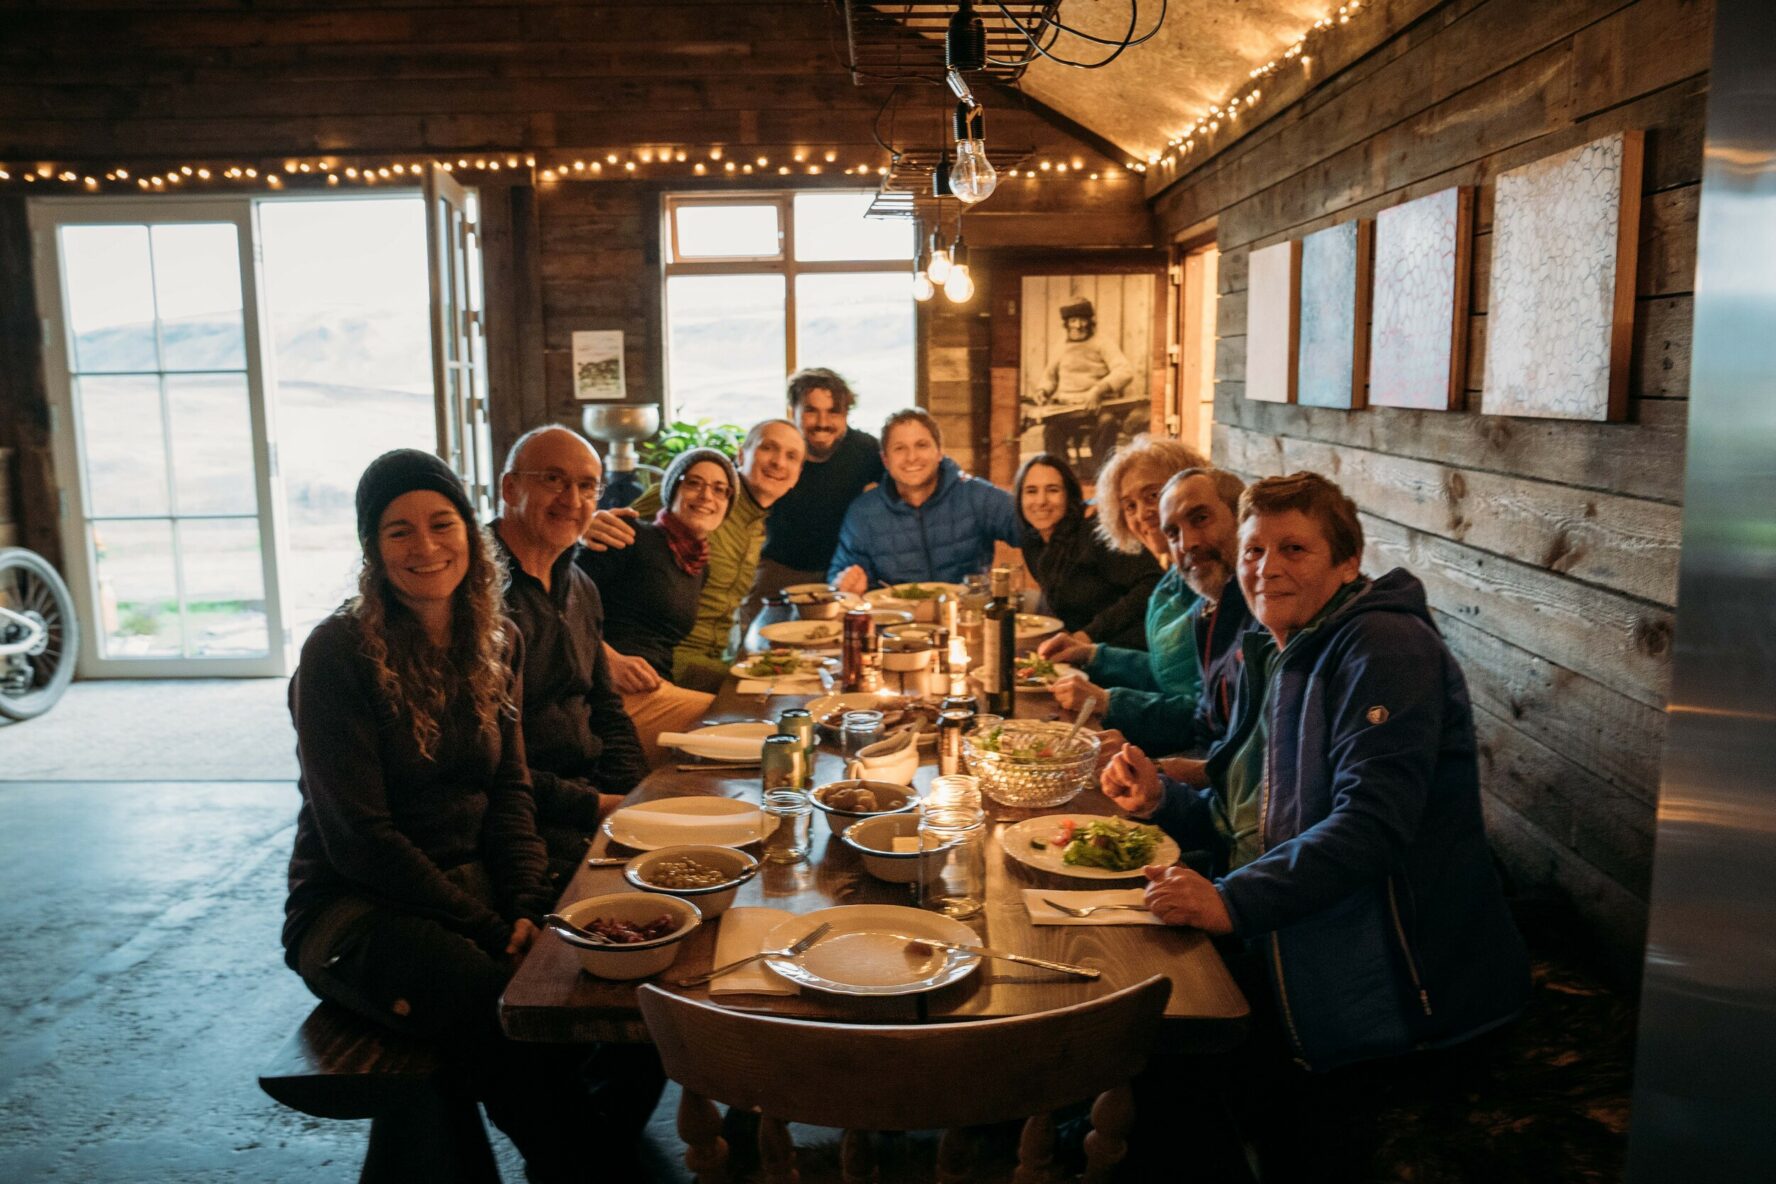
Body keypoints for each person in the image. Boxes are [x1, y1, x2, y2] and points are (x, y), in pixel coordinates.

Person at [1102, 471, 1530, 1175]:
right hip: (1298, 930)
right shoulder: (1269, 652)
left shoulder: (1383, 650)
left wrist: (1232, 900)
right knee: (1124, 980)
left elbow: (1370, 827)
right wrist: (1158, 801)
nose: (1266, 569)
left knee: (1156, 1045)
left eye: (1293, 549)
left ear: (1347, 561)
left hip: (1403, 986)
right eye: (1254, 551)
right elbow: (1242, 816)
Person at [282, 448, 600, 1181]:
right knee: (506, 1019)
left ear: (468, 529)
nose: (425, 546)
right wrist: (494, 929)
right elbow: (361, 842)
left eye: (440, 522)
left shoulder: (497, 638)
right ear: (372, 548)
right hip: (355, 913)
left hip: (470, 893)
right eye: (398, 531)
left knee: (588, 964)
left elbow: (511, 793)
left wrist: (524, 904)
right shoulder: (339, 653)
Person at [493, 424, 648, 884]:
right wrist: (598, 807)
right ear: (510, 487)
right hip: (525, 817)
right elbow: (491, 760)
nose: (572, 499)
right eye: (553, 480)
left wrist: (636, 793)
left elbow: (606, 709)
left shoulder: (579, 585)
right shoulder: (475, 590)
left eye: (586, 487)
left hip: (588, 794)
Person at [583, 420, 805, 692]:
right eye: (768, 448)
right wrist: (585, 525)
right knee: (773, 692)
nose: (778, 462)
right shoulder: (703, 499)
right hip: (670, 660)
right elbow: (616, 530)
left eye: (791, 457)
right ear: (742, 455)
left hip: (716, 660)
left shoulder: (755, 525)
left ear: (798, 474)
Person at [1046, 467, 1250, 760]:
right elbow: (1169, 673)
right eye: (1129, 505)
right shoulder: (1193, 585)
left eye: (1152, 495)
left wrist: (1108, 701)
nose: (1143, 513)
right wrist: (1093, 655)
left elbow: (1205, 728)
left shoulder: (1244, 604)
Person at [576, 447, 736, 763]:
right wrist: (607, 658)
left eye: (720, 490)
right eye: (694, 483)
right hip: (611, 694)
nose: (706, 496)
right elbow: (561, 602)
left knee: (742, 716)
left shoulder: (698, 566)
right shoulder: (630, 536)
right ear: (672, 489)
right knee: (734, 724)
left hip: (656, 689)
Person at [742, 368, 885, 627]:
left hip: (841, 572)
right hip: (779, 566)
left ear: (846, 415)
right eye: (811, 410)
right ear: (792, 411)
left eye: (833, 412)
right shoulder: (778, 449)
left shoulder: (866, 451)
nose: (822, 422)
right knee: (757, 645)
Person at [828, 408, 1019, 592]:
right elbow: (839, 577)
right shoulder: (863, 513)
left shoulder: (977, 495)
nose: (912, 457)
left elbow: (1028, 528)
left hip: (967, 618)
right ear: (885, 460)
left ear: (939, 452)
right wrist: (844, 582)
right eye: (900, 448)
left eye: (922, 445)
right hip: (894, 621)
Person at [1013, 452, 1159, 650]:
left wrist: (1089, 634)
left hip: (1132, 651)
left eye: (1053, 490)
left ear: (1069, 496)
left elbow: (1152, 583)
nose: (1041, 501)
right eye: (1031, 491)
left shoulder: (1095, 531)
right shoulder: (1033, 544)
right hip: (1085, 652)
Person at [1029, 298, 1136, 478]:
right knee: (1052, 430)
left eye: (1082, 320)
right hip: (1066, 407)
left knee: (1107, 423)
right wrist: (1043, 391)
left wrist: (1099, 389)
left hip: (1097, 406)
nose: (1078, 326)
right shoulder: (1060, 346)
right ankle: (1059, 477)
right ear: (1067, 324)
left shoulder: (1103, 343)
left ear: (1090, 321)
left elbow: (1125, 371)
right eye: (1073, 321)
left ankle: (1100, 476)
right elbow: (1049, 377)